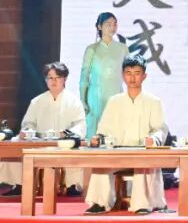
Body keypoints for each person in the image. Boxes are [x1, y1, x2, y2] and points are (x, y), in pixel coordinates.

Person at [84, 55, 169, 215]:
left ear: (144, 76)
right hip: (118, 152)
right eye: (128, 73)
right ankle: (99, 203)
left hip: (142, 152)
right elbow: (104, 129)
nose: (132, 77)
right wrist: (98, 138)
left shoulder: (153, 101)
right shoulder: (114, 101)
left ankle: (142, 204)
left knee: (143, 163)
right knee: (100, 164)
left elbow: (159, 128)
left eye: (137, 73)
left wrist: (154, 139)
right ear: (123, 75)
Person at [0, 63, 86, 197]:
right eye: (50, 78)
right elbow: (28, 123)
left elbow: (79, 125)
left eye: (57, 77)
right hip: (39, 143)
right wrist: (28, 131)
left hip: (64, 144)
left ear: (64, 79)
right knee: (16, 149)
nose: (53, 81)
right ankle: (20, 183)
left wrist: (67, 134)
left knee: (77, 151)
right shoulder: (37, 101)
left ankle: (72, 185)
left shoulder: (74, 101)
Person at [80, 12, 127, 136]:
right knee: (95, 131)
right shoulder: (92, 49)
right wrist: (83, 100)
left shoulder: (123, 48)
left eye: (115, 24)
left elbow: (128, 73)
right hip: (96, 96)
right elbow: (84, 77)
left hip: (116, 93)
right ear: (99, 26)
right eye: (108, 24)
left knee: (115, 130)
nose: (112, 27)